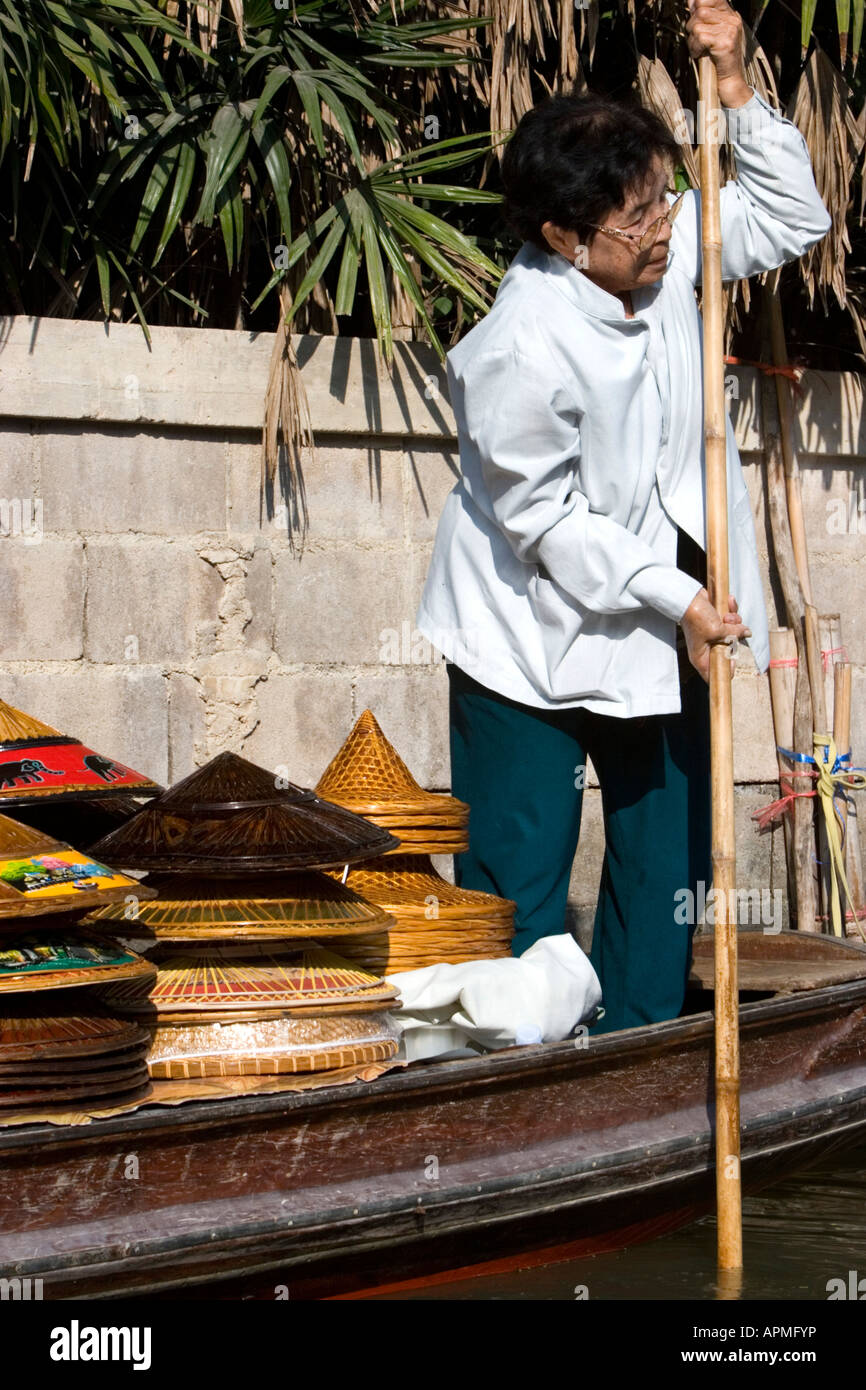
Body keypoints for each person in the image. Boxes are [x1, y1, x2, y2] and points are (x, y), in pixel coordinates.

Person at [414, 0, 832, 1035]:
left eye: (658, 205)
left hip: (669, 610)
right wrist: (675, 594)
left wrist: (733, 88)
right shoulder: (519, 346)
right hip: (528, 633)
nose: (659, 230)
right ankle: (509, 1070)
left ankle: (636, 1052)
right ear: (561, 235)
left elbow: (788, 220)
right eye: (634, 219)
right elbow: (544, 522)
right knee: (517, 870)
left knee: (663, 860)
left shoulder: (666, 245)